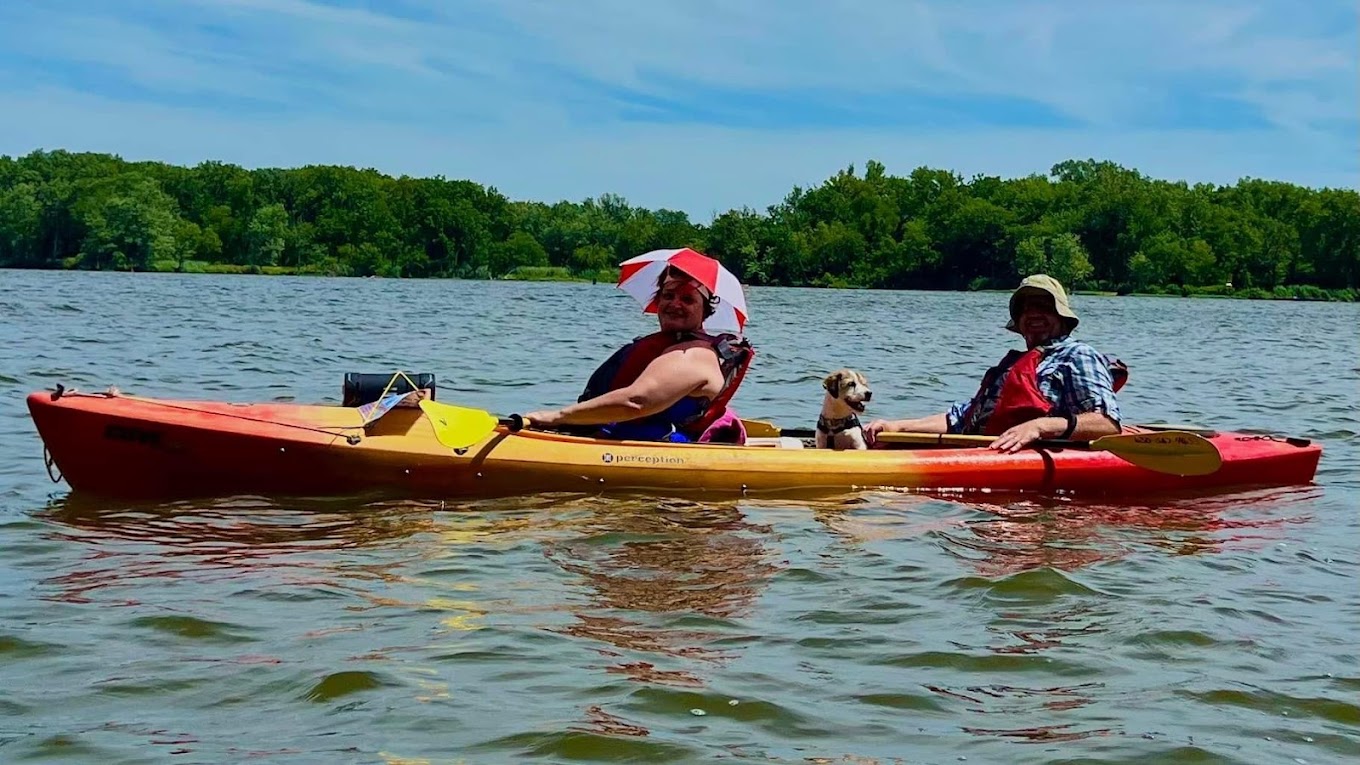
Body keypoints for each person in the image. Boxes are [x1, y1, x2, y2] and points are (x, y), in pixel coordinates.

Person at [865, 274, 1126, 453]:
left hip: (1035, 457)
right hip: (985, 451)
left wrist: (1039, 426)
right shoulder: (1016, 364)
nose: (1034, 313)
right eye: (1026, 308)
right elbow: (961, 419)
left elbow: (1107, 424)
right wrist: (897, 426)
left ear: (1062, 317)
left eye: (1044, 307)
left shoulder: (1078, 355)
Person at [522, 265, 754, 443]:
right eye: (668, 295)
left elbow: (635, 402)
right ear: (657, 300)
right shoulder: (667, 347)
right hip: (625, 434)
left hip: (662, 449)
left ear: (705, 310)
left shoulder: (692, 355)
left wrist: (556, 416)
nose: (675, 304)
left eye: (687, 299)